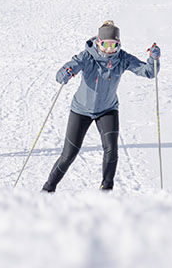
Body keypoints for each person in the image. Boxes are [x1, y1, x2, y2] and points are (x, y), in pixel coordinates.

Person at [43, 21, 159, 193]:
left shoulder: (123, 59)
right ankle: (47, 189)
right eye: (105, 44)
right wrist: (65, 73)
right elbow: (66, 69)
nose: (109, 49)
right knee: (69, 155)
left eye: (114, 45)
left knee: (111, 150)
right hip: (81, 110)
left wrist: (154, 59)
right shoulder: (87, 56)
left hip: (107, 109)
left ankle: (106, 190)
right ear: (98, 42)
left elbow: (148, 72)